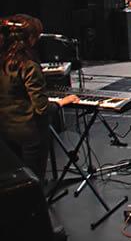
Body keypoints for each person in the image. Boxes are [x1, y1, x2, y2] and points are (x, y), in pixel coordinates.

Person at [0, 15, 79, 184]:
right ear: (30, 38)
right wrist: (60, 102)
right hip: (30, 133)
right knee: (34, 183)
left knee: (14, 182)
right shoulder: (28, 66)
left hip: (6, 131)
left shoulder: (4, 61)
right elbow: (41, 107)